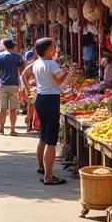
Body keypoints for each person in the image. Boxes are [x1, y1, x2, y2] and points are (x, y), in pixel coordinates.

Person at [21, 36, 70, 185]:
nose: (55, 49)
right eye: (53, 46)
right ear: (48, 49)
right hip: (50, 99)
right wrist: (67, 72)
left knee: (43, 135)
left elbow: (24, 74)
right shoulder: (52, 64)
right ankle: (49, 176)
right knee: (51, 140)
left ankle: (41, 167)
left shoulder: (37, 63)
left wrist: (28, 89)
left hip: (40, 98)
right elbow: (59, 80)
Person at [0, 38, 26, 136]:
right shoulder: (18, 57)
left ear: (4, 46)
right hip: (14, 85)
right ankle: (12, 129)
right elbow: (22, 72)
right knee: (13, 109)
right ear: (13, 46)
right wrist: (23, 86)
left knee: (2, 108)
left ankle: (1, 128)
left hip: (2, 85)